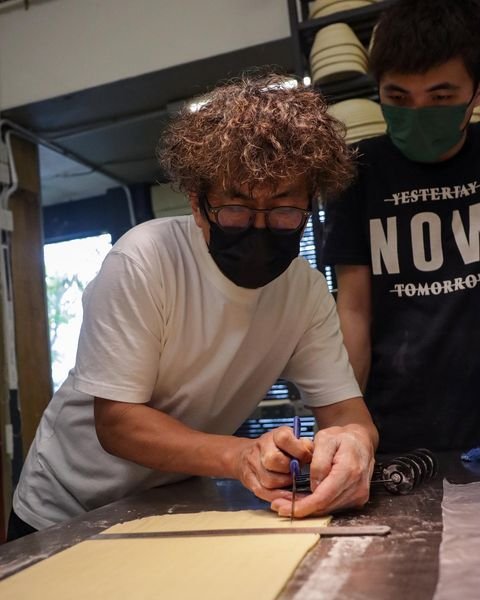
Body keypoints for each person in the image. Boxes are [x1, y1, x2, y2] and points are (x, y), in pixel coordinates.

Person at [8, 74, 378, 541]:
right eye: (236, 209)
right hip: (63, 508)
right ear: (197, 203)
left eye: (285, 211)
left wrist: (353, 446)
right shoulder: (144, 260)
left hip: (168, 501)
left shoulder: (303, 292)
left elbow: (347, 413)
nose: (259, 229)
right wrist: (242, 456)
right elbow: (117, 422)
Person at [323, 0, 480, 453]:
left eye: (440, 98)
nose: (418, 112)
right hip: (399, 423)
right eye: (398, 98)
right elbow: (354, 310)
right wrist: (344, 422)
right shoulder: (356, 173)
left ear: (475, 92)